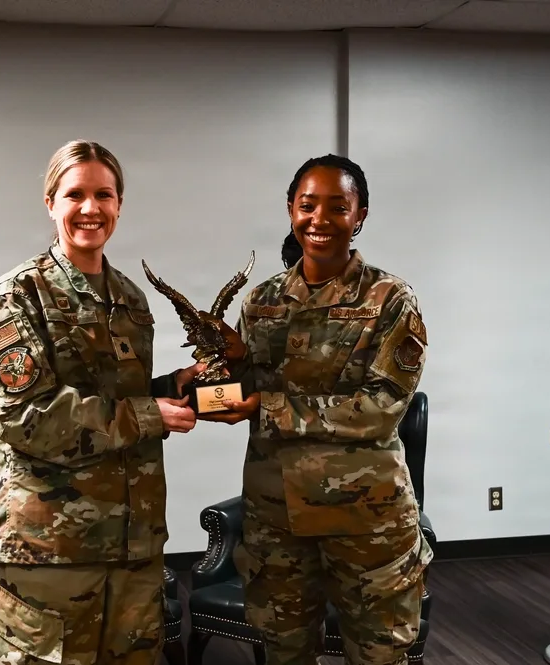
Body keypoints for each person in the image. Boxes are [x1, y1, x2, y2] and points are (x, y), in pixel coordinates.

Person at [0, 139, 203, 665]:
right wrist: (149, 414)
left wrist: (173, 387)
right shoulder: (17, 297)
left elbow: (116, 401)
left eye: (105, 194)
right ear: (51, 202)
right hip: (53, 553)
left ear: (120, 204)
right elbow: (23, 417)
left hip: (133, 547)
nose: (91, 209)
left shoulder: (129, 297)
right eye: (75, 194)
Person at [198, 153, 434, 665]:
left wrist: (268, 406)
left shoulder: (390, 298)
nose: (320, 219)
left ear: (360, 215)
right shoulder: (261, 301)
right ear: (290, 210)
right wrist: (222, 374)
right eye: (308, 205)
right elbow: (251, 387)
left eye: (338, 206)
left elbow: (382, 407)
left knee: (379, 657)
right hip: (277, 519)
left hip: (364, 520)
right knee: (285, 654)